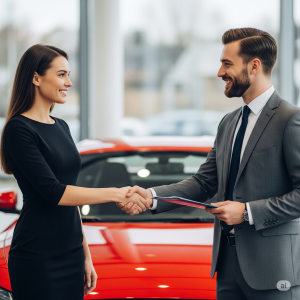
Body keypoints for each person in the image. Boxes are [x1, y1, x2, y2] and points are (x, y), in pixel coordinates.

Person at [119, 28, 300, 300]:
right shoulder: (228, 122)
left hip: (273, 271)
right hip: (226, 267)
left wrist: (248, 211)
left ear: (254, 66)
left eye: (227, 64)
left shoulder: (290, 119)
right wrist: (152, 196)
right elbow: (203, 183)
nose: (219, 72)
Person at [0, 44, 149, 300]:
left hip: (71, 252)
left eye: (69, 74)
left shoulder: (62, 126)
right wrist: (116, 193)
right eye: (61, 75)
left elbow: (72, 197)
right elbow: (55, 193)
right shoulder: (19, 129)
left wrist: (85, 255)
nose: (68, 82)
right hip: (37, 254)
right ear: (36, 77)